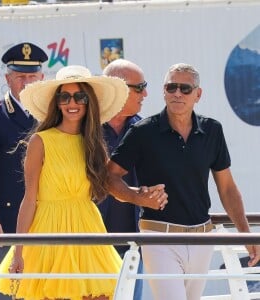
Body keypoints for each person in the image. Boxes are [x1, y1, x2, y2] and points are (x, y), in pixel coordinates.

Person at [0, 65, 166, 300]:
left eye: (79, 96)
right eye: (65, 96)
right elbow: (29, 199)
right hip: (48, 232)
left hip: (88, 229)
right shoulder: (40, 141)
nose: (72, 102)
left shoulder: (92, 143)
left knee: (99, 295)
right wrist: (19, 251)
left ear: (88, 101)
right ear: (57, 102)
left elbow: (109, 185)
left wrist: (140, 195)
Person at [106, 63, 260, 300]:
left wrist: (244, 234)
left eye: (185, 88)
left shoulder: (212, 130)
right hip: (159, 237)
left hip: (202, 237)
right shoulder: (142, 132)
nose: (177, 93)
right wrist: (136, 197)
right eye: (171, 87)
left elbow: (227, 188)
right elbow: (110, 176)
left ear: (198, 94)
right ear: (164, 91)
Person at [0, 42, 48, 300]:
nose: (26, 83)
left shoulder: (53, 116)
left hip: (49, 221)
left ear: (42, 78)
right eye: (20, 77)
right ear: (8, 78)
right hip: (9, 223)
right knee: (11, 293)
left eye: (32, 77)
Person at [98, 58, 147, 300]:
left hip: (133, 242)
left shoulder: (146, 130)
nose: (145, 93)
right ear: (116, 88)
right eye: (139, 87)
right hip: (90, 240)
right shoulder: (82, 129)